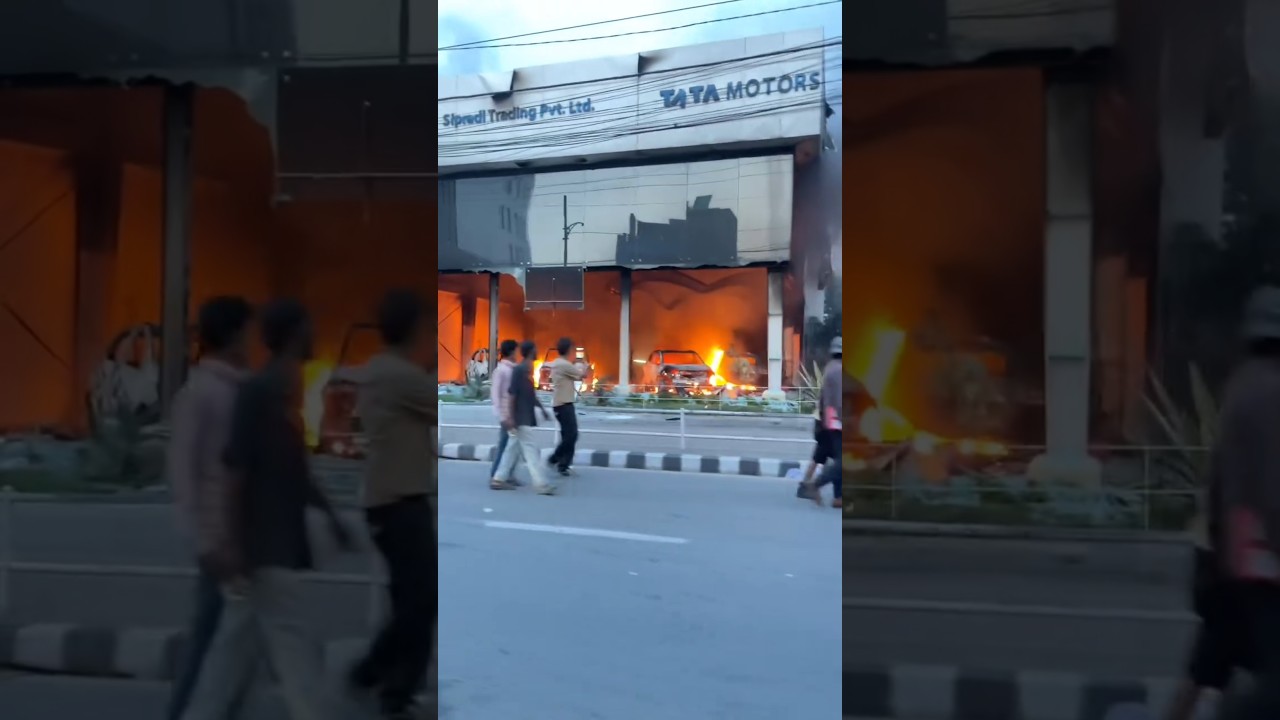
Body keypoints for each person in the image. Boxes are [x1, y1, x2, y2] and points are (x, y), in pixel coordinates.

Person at [181, 299, 352, 720]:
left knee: (228, 661)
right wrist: (229, 542)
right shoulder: (258, 394)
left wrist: (331, 516)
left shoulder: (284, 393)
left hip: (271, 549)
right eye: (309, 327)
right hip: (263, 550)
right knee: (297, 660)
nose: (315, 335)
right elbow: (234, 471)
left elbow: (295, 471)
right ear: (295, 334)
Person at [347, 290, 439, 719]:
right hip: (399, 501)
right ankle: (380, 677)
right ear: (413, 330)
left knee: (414, 600)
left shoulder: (386, 371)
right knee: (420, 602)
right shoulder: (398, 376)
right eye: (427, 327)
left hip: (393, 499)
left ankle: (390, 684)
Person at [165, 297, 255, 720]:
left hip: (247, 535)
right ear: (234, 334)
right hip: (220, 542)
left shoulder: (241, 388)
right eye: (248, 331)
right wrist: (206, 543)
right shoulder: (200, 392)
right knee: (209, 640)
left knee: (236, 645)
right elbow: (184, 474)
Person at [1214, 286, 1280, 719]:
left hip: (1239, 560)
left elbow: (1219, 478)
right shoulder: (1272, 391)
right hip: (1267, 561)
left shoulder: (1239, 386)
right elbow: (1273, 488)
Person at [491, 339, 555, 494]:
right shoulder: (519, 370)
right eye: (535, 349)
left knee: (512, 449)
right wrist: (509, 417)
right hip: (519, 418)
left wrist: (543, 410)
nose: (537, 351)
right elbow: (512, 394)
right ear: (530, 351)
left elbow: (530, 395)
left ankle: (498, 479)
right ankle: (541, 485)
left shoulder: (527, 370)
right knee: (531, 451)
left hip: (524, 416)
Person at [801, 336, 843, 509]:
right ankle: (816, 484)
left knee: (839, 459)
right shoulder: (839, 370)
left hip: (830, 421)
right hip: (839, 422)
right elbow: (840, 401)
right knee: (842, 461)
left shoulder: (830, 368)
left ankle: (838, 497)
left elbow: (823, 398)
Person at [546, 337, 586, 476]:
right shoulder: (564, 364)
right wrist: (584, 365)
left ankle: (563, 465)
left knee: (567, 435)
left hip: (561, 403)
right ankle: (555, 458)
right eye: (573, 350)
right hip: (564, 404)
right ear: (569, 350)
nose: (575, 352)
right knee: (572, 435)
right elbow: (582, 375)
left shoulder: (558, 363)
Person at [489, 339, 522, 484]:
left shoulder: (514, 369)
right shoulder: (501, 370)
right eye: (516, 350)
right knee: (504, 444)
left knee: (513, 446)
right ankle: (496, 474)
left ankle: (508, 474)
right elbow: (495, 394)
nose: (518, 353)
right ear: (511, 351)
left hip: (515, 412)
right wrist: (501, 415)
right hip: (506, 414)